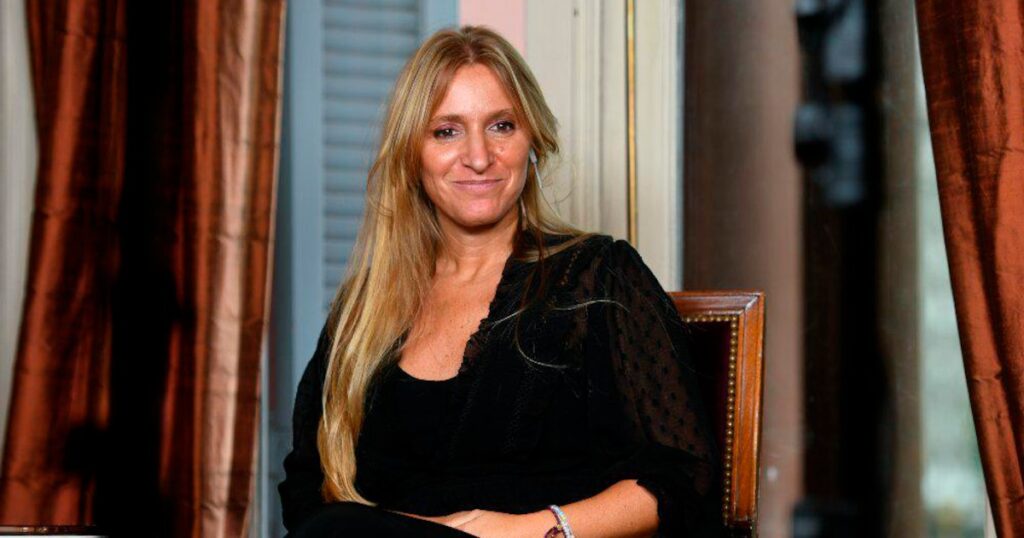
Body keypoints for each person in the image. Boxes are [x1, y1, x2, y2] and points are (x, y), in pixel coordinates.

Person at [279, 26, 722, 537]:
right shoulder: (363, 309)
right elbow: (306, 489)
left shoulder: (599, 276)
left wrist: (533, 530)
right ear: (411, 152)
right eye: (446, 131)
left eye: (501, 126)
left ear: (532, 138)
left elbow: (685, 475)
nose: (478, 157)